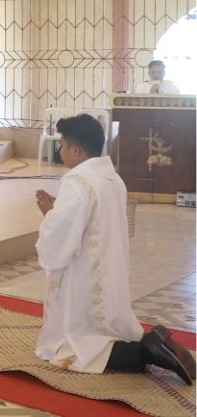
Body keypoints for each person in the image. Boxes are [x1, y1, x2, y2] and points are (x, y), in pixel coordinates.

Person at [35, 114, 194, 384]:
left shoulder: (78, 182)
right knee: (110, 328)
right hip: (110, 276)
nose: (59, 151)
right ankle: (151, 344)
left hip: (84, 280)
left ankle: (147, 351)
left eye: (62, 146)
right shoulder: (113, 179)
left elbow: (61, 236)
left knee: (78, 347)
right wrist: (58, 211)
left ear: (77, 150)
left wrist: (50, 213)